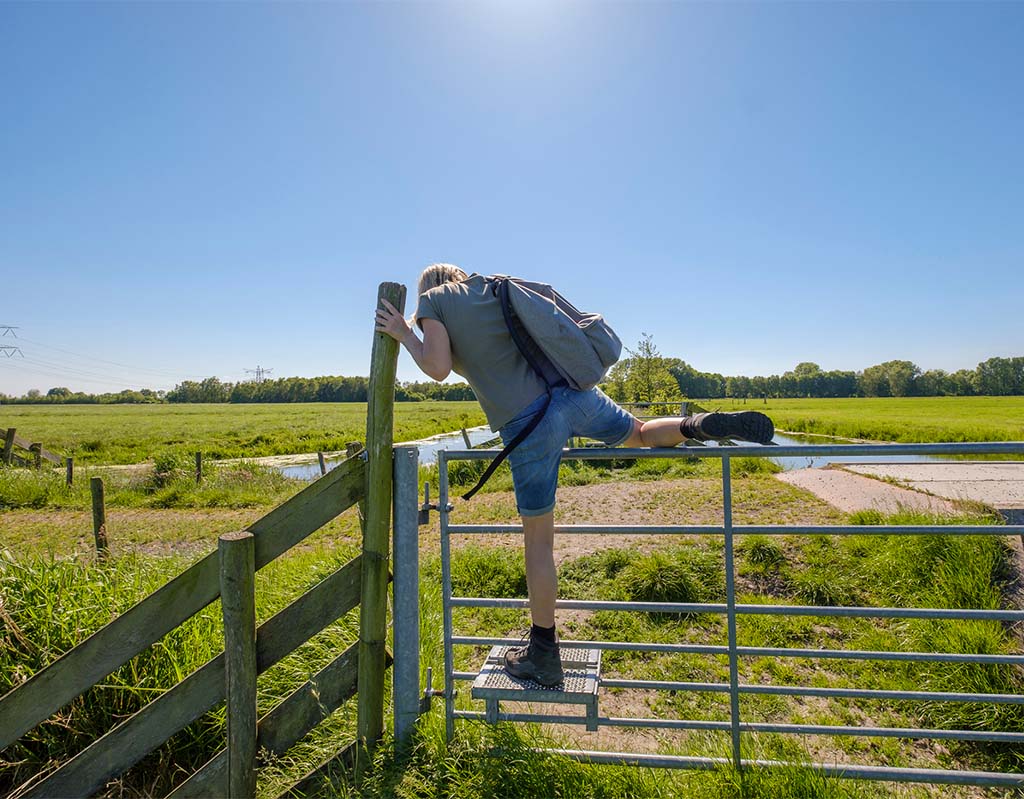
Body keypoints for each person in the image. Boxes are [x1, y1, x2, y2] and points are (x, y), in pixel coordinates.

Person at [375, 264, 774, 687]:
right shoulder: (492, 287)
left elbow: (437, 367)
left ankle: (544, 654)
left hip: (528, 424)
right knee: (638, 433)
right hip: (574, 393)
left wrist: (405, 333)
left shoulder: (435, 301)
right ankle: (697, 425)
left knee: (539, 541)